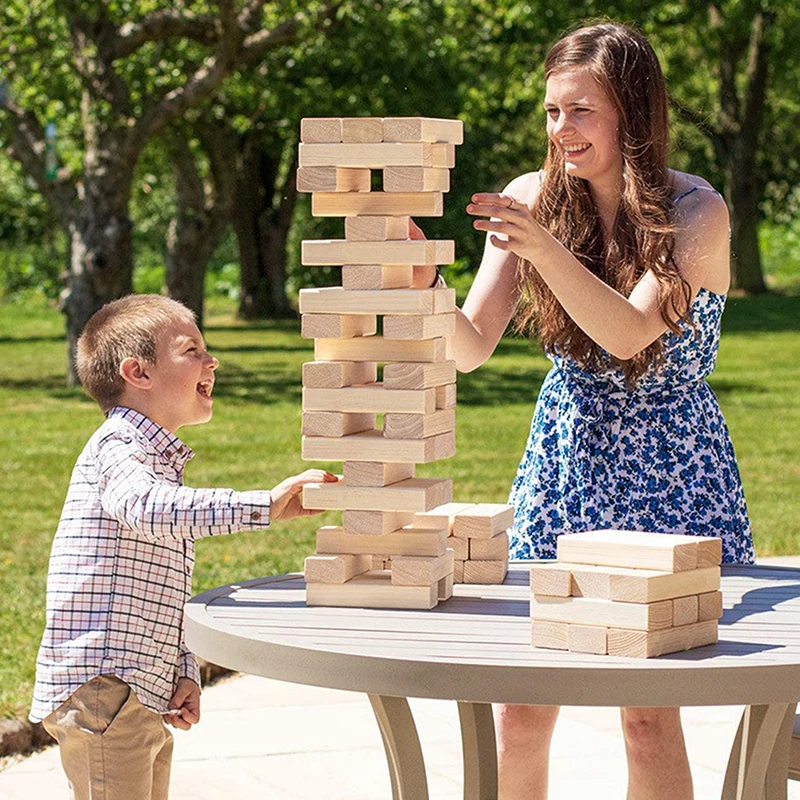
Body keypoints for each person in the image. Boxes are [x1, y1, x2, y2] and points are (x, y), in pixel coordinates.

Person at [413, 20, 754, 800]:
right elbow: (467, 347)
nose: (560, 131)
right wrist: (417, 275)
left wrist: (543, 249)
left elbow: (630, 333)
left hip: (671, 464)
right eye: (551, 112)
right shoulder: (535, 203)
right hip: (565, 457)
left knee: (646, 712)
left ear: (631, 112)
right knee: (523, 704)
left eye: (581, 111)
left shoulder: (697, 212)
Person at [30, 294, 336, 800]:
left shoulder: (152, 457)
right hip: (104, 690)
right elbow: (150, 510)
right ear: (138, 372)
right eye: (191, 349)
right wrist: (264, 503)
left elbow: (162, 587)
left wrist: (182, 670)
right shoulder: (118, 447)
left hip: (137, 693)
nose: (210, 360)